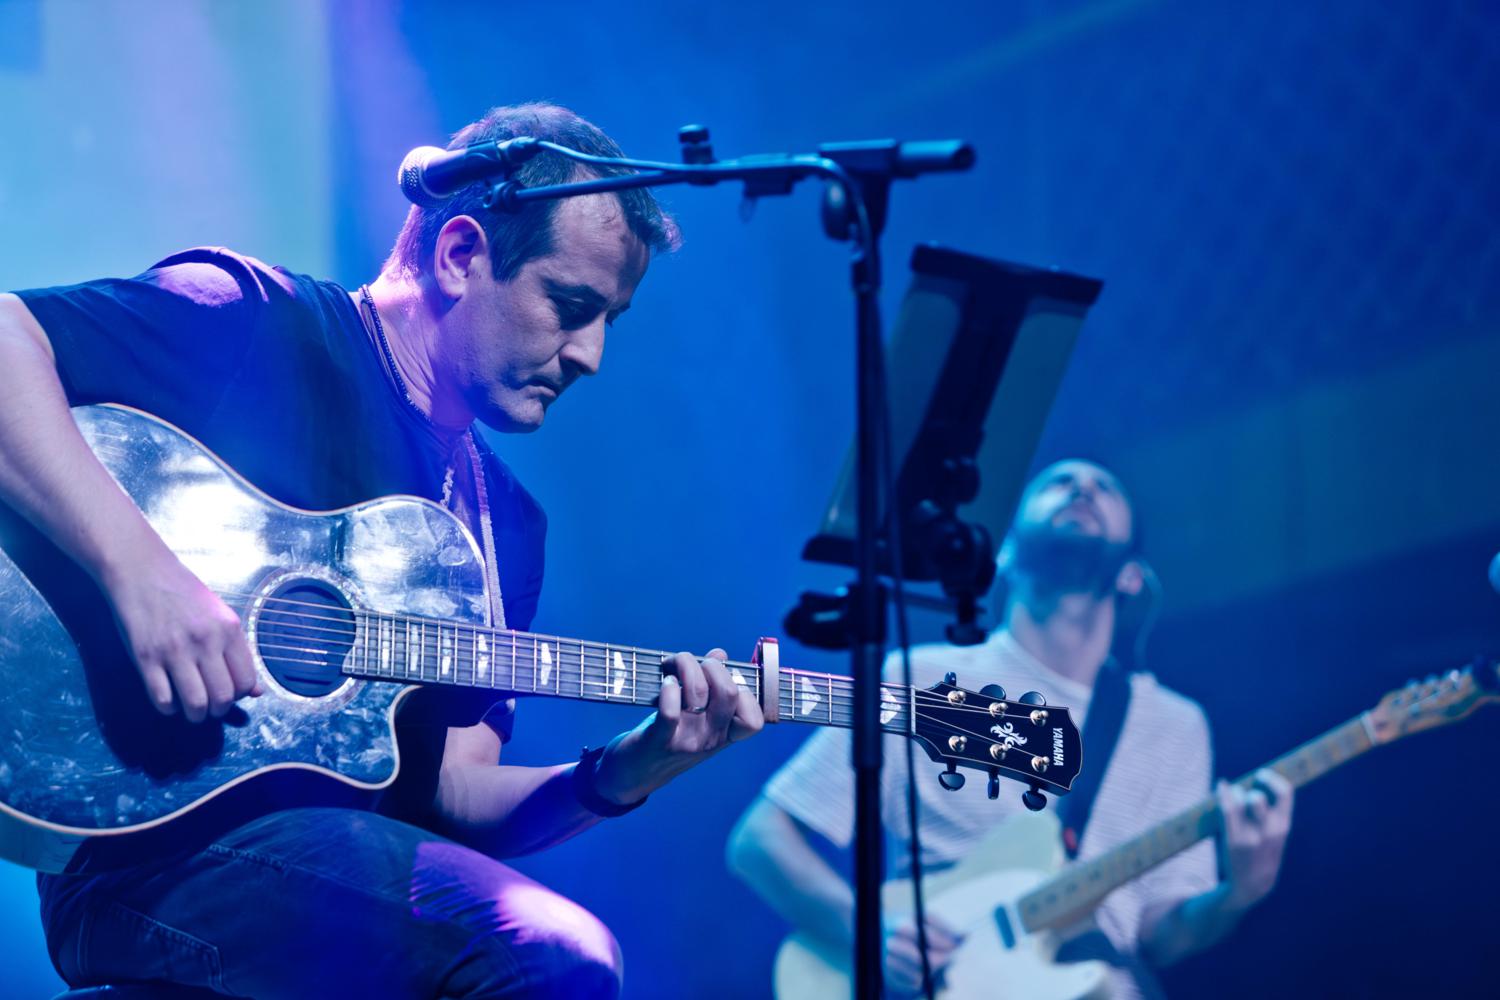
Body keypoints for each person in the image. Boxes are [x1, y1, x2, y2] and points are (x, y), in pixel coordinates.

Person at [0, 103, 763, 998]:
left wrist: (629, 769)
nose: (590, 354)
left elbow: (457, 796)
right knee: (551, 953)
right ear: (460, 255)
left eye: (610, 321)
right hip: (140, 860)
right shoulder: (257, 323)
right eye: (570, 305)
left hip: (328, 877)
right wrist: (144, 574)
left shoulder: (505, 529)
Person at [728, 459, 1293, 998]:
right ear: (1004, 553)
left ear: (1131, 576)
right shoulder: (919, 678)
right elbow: (760, 839)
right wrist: (871, 932)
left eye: (1104, 488)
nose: (1081, 489)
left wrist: (1240, 892)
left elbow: (1161, 932)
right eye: (1058, 482)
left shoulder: (1174, 725)